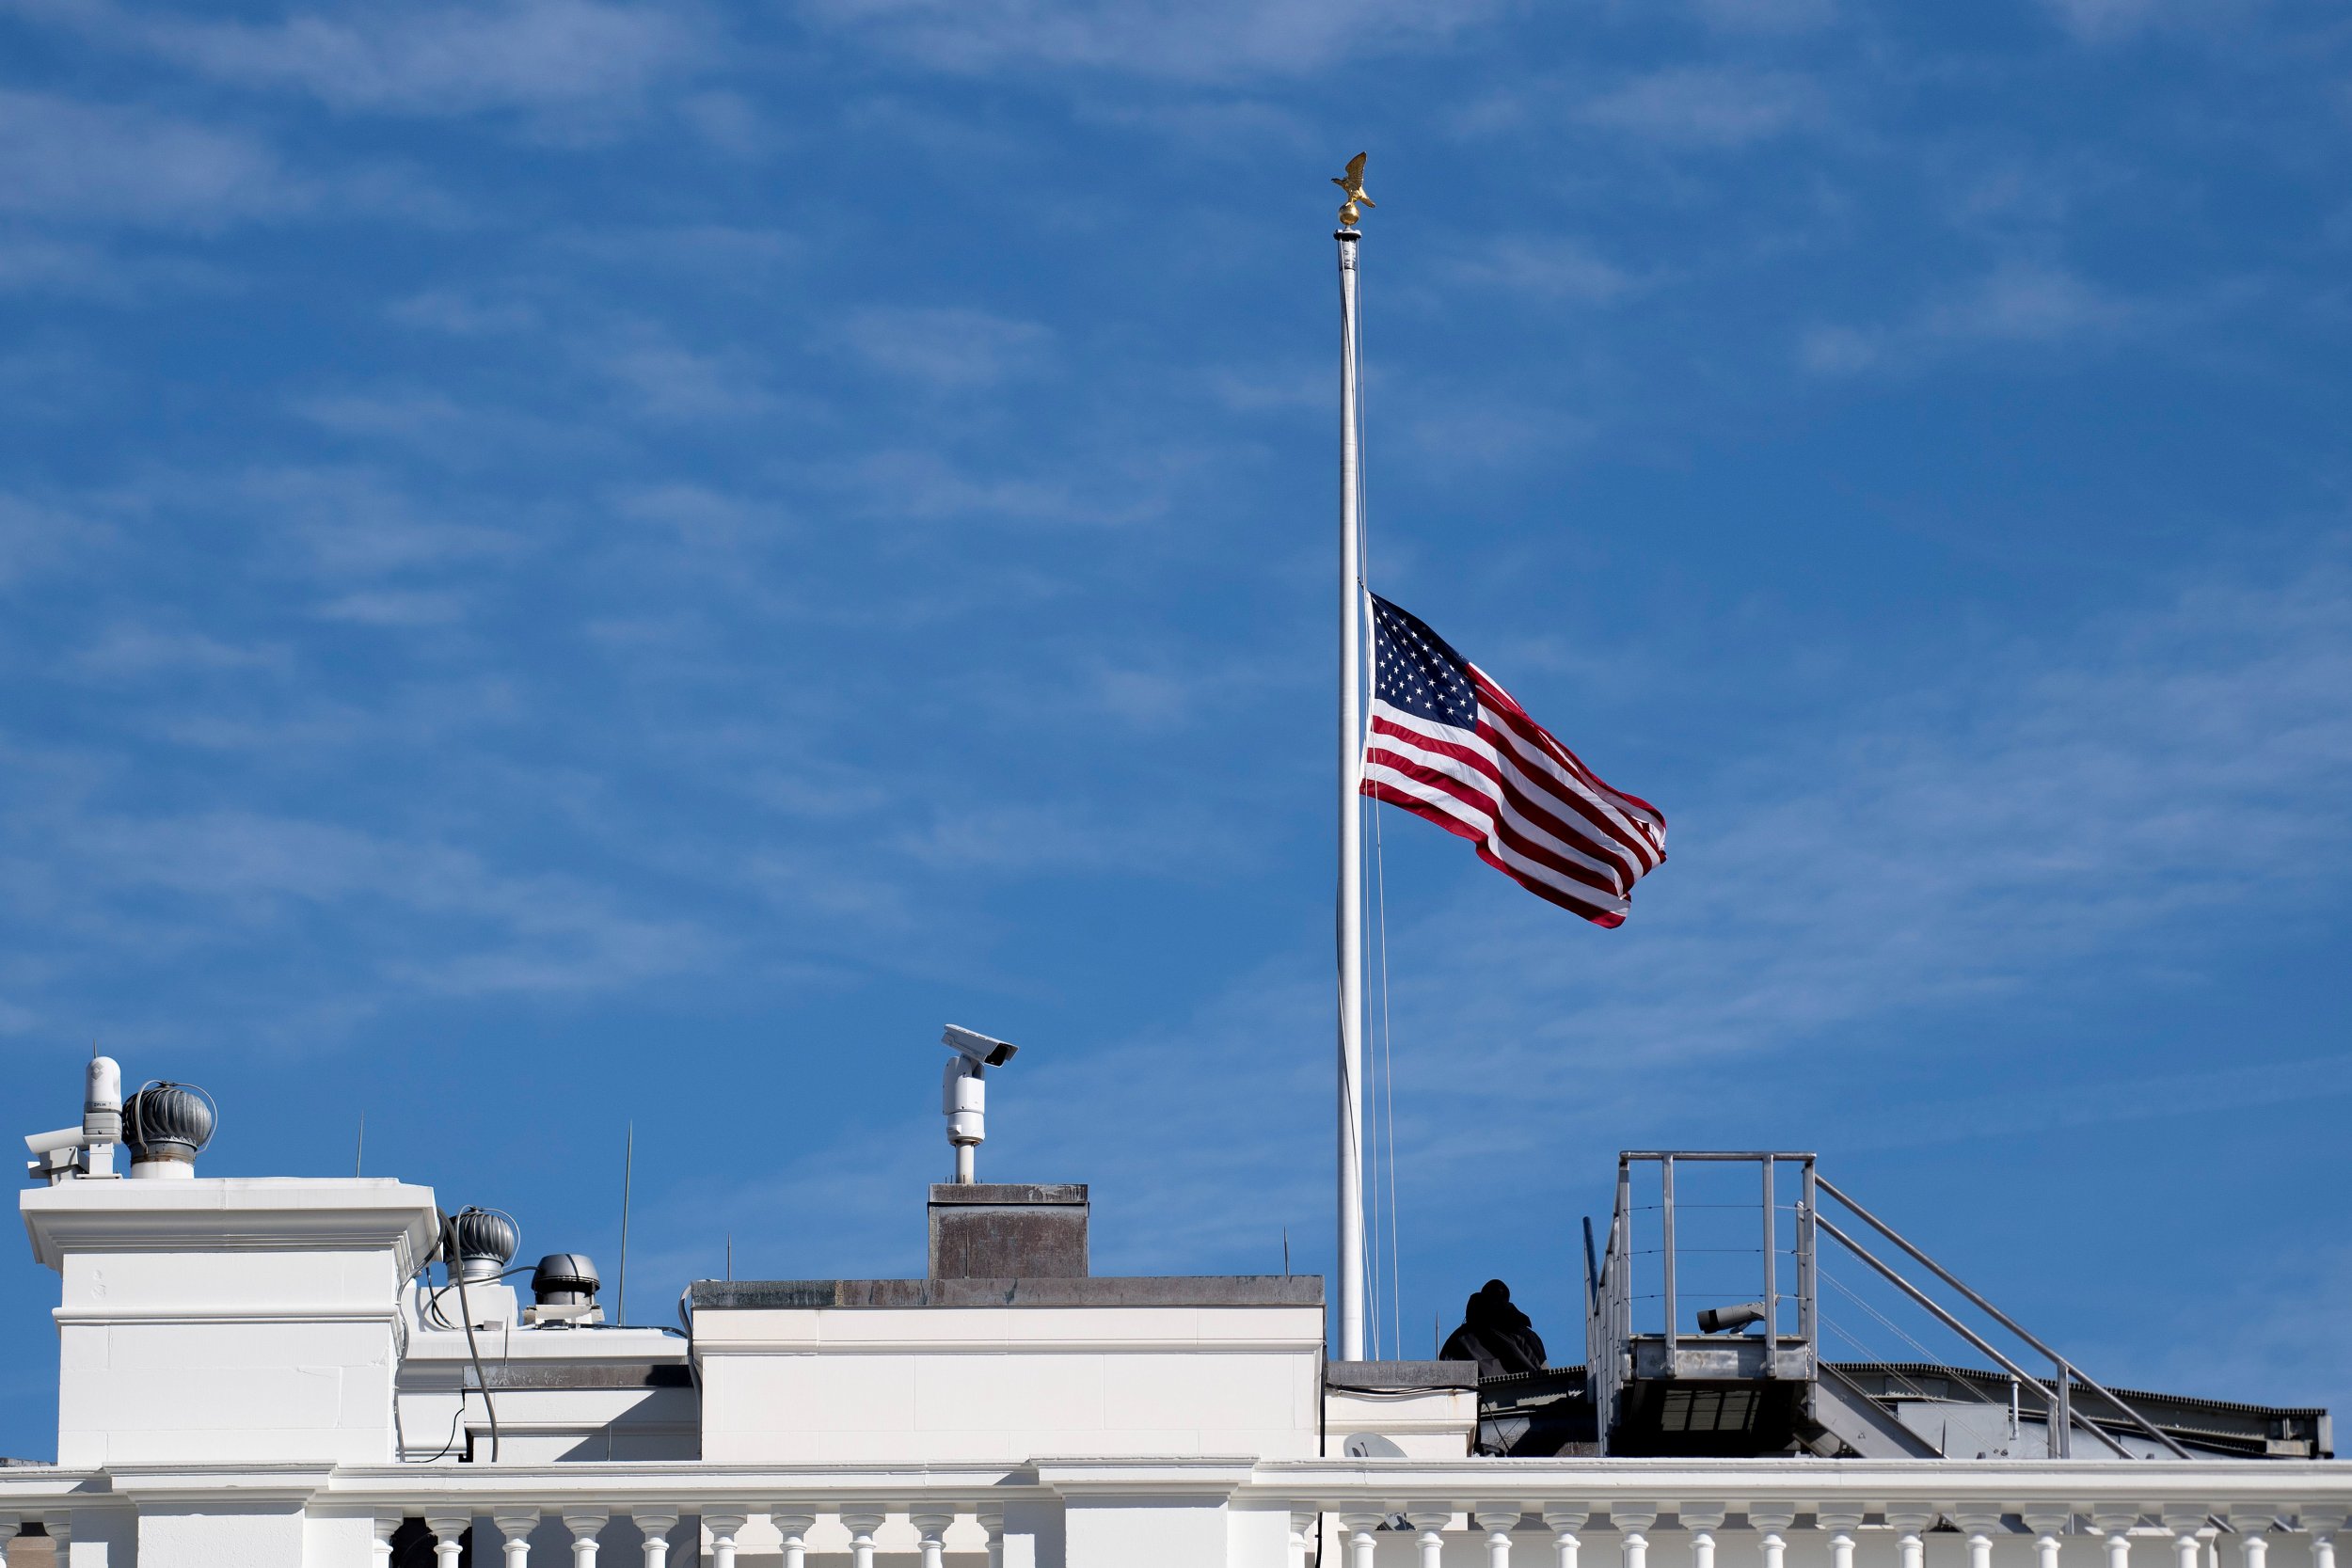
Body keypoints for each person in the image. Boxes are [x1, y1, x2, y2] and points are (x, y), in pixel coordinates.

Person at [1439, 1277, 1547, 1378]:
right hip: (1522, 1393)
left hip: (1473, 1394)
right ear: (1506, 1301)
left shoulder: (1457, 1339)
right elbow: (1548, 1376)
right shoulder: (1523, 1334)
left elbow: (1443, 1376)